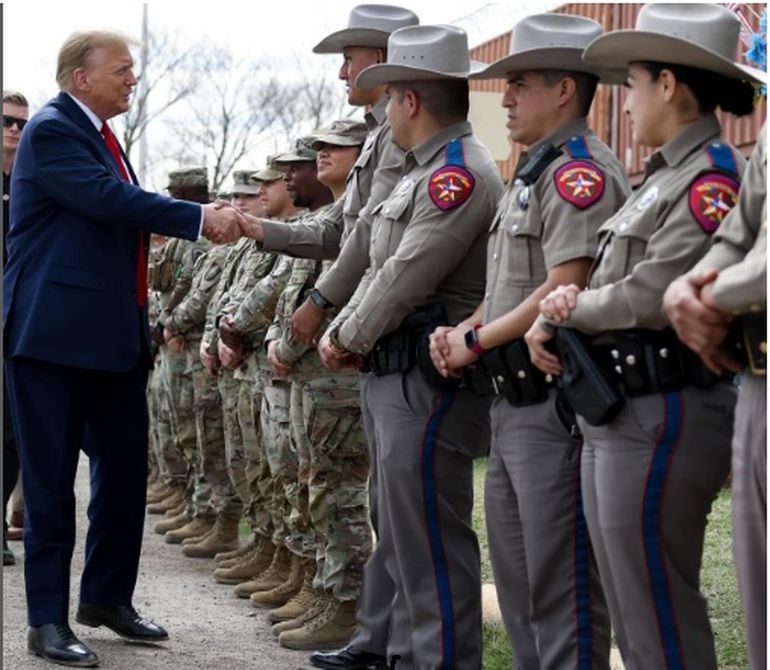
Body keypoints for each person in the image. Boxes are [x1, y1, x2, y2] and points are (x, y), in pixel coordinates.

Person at [524, 5, 762, 669]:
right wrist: (573, 304)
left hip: (667, 406)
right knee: (632, 607)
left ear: (668, 84)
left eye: (632, 84)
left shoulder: (711, 179)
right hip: (621, 407)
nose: (625, 104)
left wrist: (570, 306)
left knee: (658, 606)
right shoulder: (661, 177)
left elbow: (652, 293)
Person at [3, 30, 241, 668]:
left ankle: (106, 598)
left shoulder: (104, 137)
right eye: (123, 69)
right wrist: (196, 217)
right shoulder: (54, 129)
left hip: (109, 338)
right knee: (52, 486)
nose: (132, 79)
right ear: (81, 77)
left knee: (125, 471)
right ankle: (46, 621)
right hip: (52, 338)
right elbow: (109, 201)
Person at [429, 13, 630, 669]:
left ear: (564, 90)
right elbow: (511, 284)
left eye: (518, 83)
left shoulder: (580, 173)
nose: (505, 98)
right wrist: (463, 333)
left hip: (554, 402)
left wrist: (476, 338)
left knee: (561, 586)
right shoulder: (533, 170)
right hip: (512, 402)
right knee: (519, 586)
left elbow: (563, 283)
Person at [320, 25, 503, 668]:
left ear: (411, 101)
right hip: (394, 371)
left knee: (429, 537)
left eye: (390, 96)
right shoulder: (422, 174)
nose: (384, 110)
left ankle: (440, 660)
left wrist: (343, 334)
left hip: (427, 380)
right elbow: (377, 262)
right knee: (397, 526)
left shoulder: (458, 175)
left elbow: (405, 276)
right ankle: (393, 649)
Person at [663, 125, 767, 670]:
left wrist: (705, 294)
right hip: (755, 377)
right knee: (762, 618)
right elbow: (739, 231)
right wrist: (691, 284)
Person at [2, 89, 29, 566]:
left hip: (19, 316)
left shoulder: (29, 177)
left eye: (22, 123)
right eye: (7, 121)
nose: (14, 129)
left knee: (12, 430)